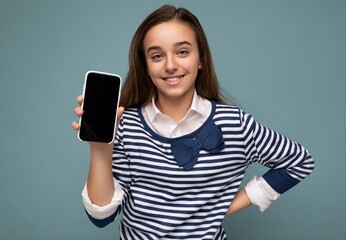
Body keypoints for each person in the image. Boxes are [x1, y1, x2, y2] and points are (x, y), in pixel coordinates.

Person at [72, 4, 314, 239]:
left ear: (201, 60)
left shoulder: (235, 125)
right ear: (145, 67)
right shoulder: (125, 125)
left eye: (183, 52)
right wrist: (101, 149)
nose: (170, 65)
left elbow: (299, 162)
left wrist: (221, 209)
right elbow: (101, 217)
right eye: (156, 56)